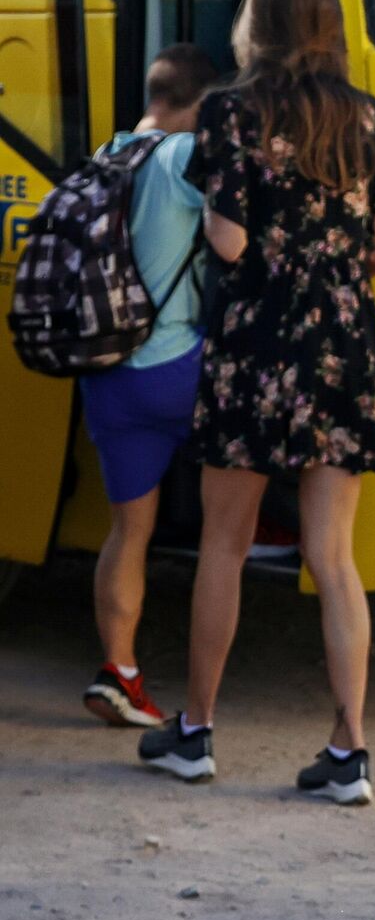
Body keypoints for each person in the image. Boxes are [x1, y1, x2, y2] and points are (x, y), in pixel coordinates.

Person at [135, 0, 375, 804]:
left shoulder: (229, 114)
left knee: (224, 542)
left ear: (256, 21)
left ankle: (197, 730)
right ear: (329, 23)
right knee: (334, 557)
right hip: (344, 349)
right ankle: (350, 749)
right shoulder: (366, 118)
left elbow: (228, 241)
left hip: (257, 345)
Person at [78, 44, 221, 729]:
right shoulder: (181, 156)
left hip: (107, 373)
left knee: (127, 530)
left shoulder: (107, 155)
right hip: (177, 371)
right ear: (198, 104)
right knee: (231, 515)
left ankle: (119, 670)